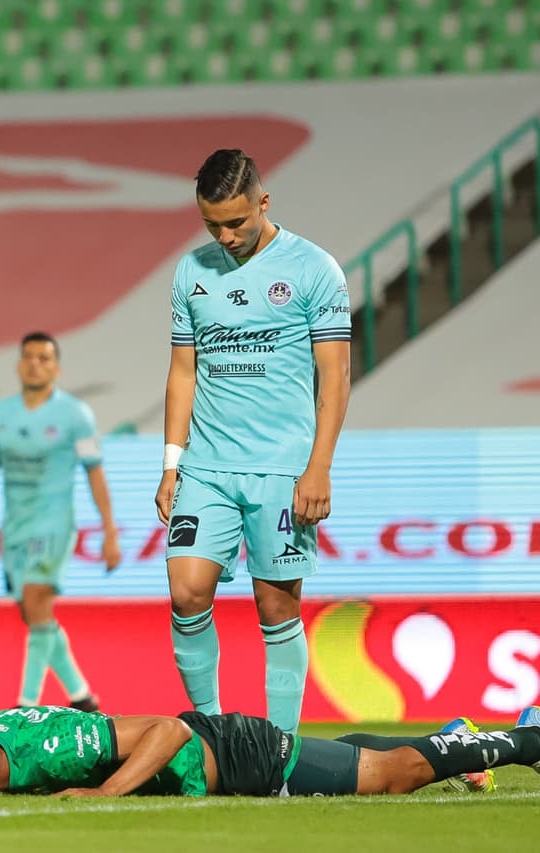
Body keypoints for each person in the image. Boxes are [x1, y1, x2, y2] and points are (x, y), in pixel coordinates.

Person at [155, 148, 351, 734]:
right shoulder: (191, 272)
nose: (225, 235)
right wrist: (171, 464)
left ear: (264, 202)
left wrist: (319, 468)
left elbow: (335, 377)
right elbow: (183, 372)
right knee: (187, 593)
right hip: (207, 468)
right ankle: (214, 737)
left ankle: (280, 750)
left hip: (283, 471)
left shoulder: (315, 270)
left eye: (236, 222)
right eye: (212, 223)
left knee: (276, 607)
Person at [0, 703, 540, 797]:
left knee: (388, 778)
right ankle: (457, 740)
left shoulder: (57, 754)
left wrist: (106, 793)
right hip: (234, 746)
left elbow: (167, 731)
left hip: (242, 756)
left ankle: (530, 738)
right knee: (355, 750)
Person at [0, 333, 121, 711]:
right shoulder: (2, 414)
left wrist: (109, 531)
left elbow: (95, 473)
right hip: (15, 528)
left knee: (37, 602)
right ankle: (81, 695)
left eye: (44, 358)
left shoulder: (77, 415)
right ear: (18, 364)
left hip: (53, 525)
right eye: (29, 356)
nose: (35, 364)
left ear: (56, 367)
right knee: (33, 614)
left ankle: (27, 705)